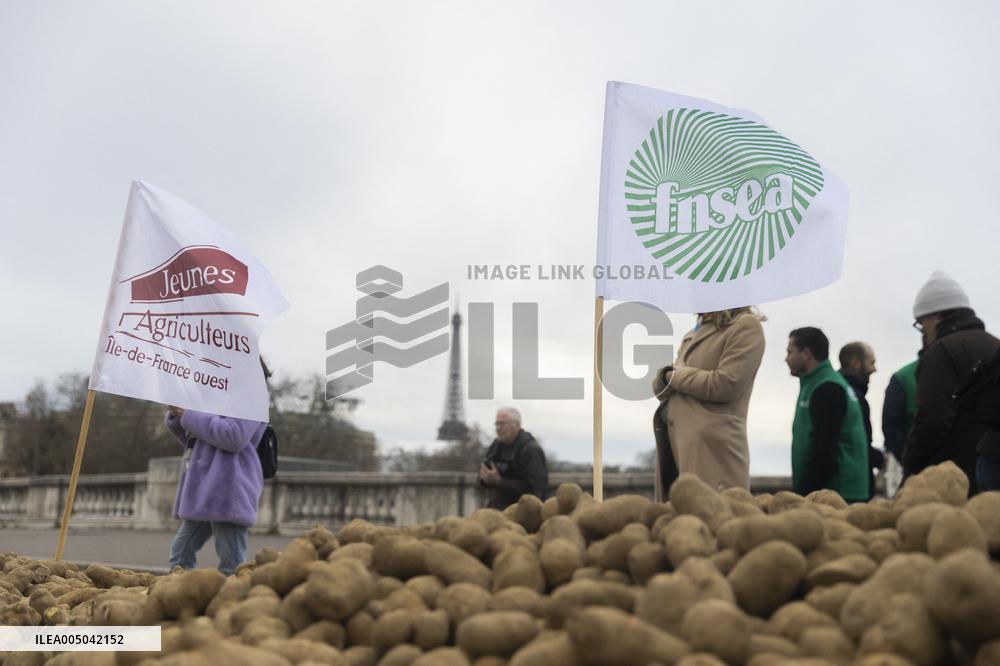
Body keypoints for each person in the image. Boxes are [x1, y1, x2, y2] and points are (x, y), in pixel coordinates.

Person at [651, 307, 766, 498]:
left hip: (712, 450)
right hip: (676, 443)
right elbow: (664, 388)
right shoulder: (695, 332)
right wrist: (666, 376)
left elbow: (726, 384)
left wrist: (674, 375)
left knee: (714, 521)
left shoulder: (746, 326)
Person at [902, 271, 1000, 494]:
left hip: (951, 485)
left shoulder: (941, 351)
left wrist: (910, 470)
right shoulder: (995, 346)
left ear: (936, 317)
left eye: (921, 323)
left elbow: (931, 421)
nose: (923, 332)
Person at [165, 405, 267, 575]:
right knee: (180, 556)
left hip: (229, 487)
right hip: (203, 487)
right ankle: (184, 597)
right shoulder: (215, 390)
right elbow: (198, 440)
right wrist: (177, 415)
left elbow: (234, 437)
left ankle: (233, 600)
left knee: (232, 567)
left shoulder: (252, 395)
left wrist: (189, 415)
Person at [786, 327, 869, 503]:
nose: (786, 359)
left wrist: (807, 495)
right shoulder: (817, 384)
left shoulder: (828, 388)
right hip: (831, 493)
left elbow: (823, 448)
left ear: (806, 353)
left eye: (790, 352)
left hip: (836, 496)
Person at [838, 342, 885, 498]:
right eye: (871, 362)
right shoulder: (854, 398)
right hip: (853, 487)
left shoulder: (840, 390)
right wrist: (881, 459)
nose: (874, 369)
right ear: (856, 364)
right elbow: (857, 444)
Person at [479, 408, 548, 509]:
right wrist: (485, 479)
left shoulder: (530, 450)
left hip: (522, 513)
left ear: (516, 425)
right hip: (496, 509)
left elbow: (533, 490)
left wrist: (499, 481)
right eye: (496, 424)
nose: (498, 428)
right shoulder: (496, 446)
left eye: (502, 424)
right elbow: (485, 476)